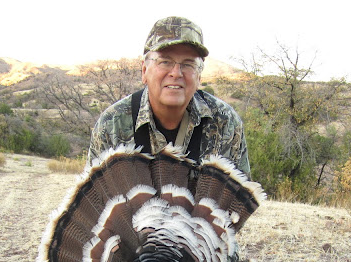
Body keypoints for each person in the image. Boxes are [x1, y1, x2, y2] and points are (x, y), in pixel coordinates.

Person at [87, 16, 250, 178]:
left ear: (199, 76)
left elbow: (239, 200)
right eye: (165, 61)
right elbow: (94, 200)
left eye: (188, 64)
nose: (176, 73)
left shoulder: (225, 122)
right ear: (144, 71)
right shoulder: (112, 124)